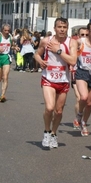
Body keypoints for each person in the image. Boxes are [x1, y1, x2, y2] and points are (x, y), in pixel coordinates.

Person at [34, 17, 78, 148]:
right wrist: (40, 61)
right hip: (48, 78)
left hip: (63, 80)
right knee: (49, 107)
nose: (62, 30)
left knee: (58, 111)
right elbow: (36, 54)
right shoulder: (46, 41)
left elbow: (73, 61)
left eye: (64, 27)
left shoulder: (71, 43)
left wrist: (58, 51)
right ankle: (47, 132)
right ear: (54, 28)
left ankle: (54, 133)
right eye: (59, 27)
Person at [0, 24, 18, 102]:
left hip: (6, 57)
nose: (7, 32)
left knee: (5, 77)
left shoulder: (10, 37)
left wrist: (15, 47)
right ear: (2, 30)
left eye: (8, 31)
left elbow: (11, 46)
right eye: (5, 30)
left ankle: (2, 95)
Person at [70, 27, 88, 128]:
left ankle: (81, 117)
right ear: (78, 35)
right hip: (75, 73)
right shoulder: (74, 45)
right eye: (82, 35)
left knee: (87, 100)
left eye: (86, 35)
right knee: (79, 97)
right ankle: (79, 119)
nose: (84, 37)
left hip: (88, 75)